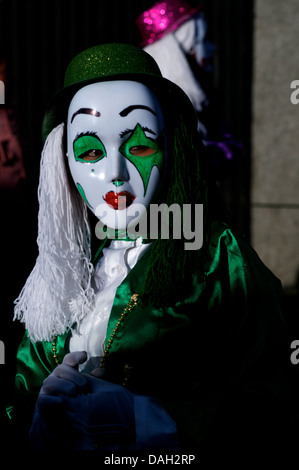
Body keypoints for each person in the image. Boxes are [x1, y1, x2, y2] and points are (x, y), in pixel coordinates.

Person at [6, 43, 292, 456]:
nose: (116, 173)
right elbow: (20, 396)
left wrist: (145, 419)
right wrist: (41, 419)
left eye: (139, 145)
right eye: (90, 151)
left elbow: (272, 408)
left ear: (170, 146)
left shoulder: (217, 260)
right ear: (64, 161)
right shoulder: (61, 267)